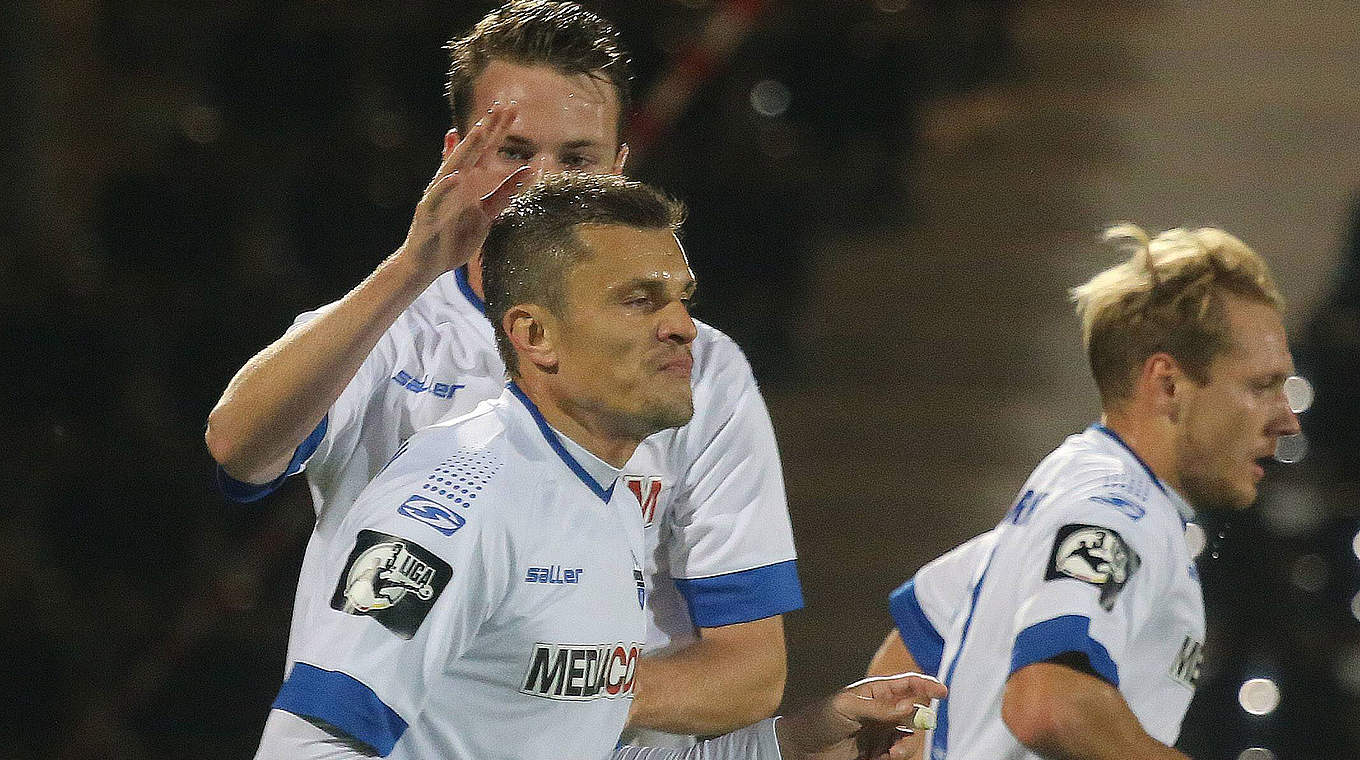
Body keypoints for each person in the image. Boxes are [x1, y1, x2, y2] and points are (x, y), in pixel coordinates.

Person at [204, 1, 801, 744]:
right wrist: (412, 269)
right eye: (513, 150)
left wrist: (521, 694)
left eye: (576, 160)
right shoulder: (386, 333)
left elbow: (747, 672)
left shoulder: (691, 365)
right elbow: (238, 448)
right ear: (458, 152)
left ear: (618, 171)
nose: (542, 185)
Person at [252, 172, 945, 760]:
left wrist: (800, 738)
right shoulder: (455, 502)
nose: (680, 325)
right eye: (640, 300)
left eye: (681, 298)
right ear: (534, 335)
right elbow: (307, 744)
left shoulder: (606, 500)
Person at [866, 225, 1302, 760]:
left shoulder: (1075, 488)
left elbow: (906, 662)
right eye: (1262, 386)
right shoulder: (1119, 509)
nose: (1287, 420)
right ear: (1168, 385)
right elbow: (1047, 705)